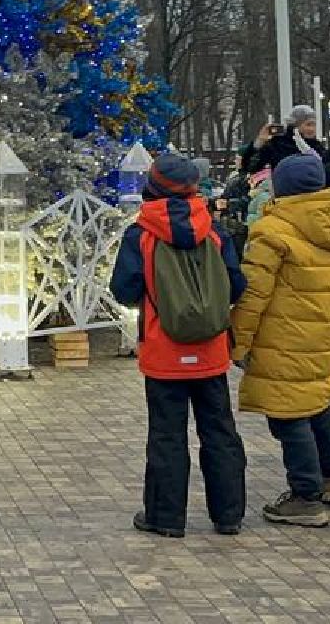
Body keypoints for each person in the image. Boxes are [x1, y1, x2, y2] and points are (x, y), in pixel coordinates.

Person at [108, 151, 248, 539]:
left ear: (151, 188)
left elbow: (124, 289)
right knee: (219, 431)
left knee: (167, 436)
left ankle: (165, 517)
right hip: (211, 348)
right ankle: (229, 515)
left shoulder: (140, 235)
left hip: (162, 349)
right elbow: (237, 285)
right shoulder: (215, 232)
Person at [229, 152, 330, 528]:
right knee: (317, 403)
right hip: (322, 336)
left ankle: (305, 495)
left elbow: (253, 295)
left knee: (288, 414)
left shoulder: (272, 231)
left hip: (281, 337)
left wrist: (239, 342)